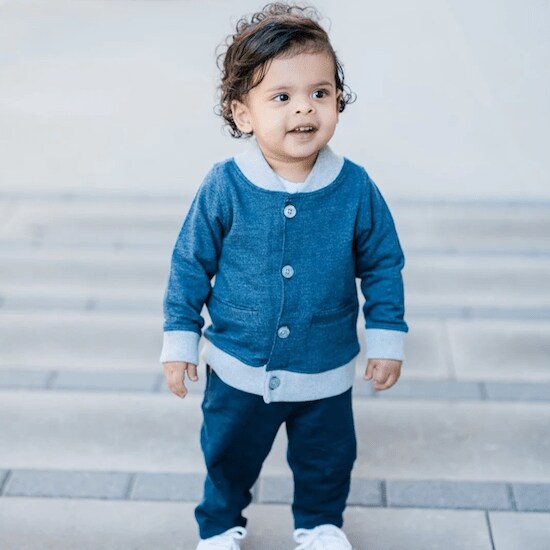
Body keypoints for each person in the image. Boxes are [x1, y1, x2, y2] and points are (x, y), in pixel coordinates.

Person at [161, 3, 407, 549]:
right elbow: (189, 264)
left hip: (325, 366)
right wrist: (180, 339)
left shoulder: (355, 188)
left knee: (327, 457)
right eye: (282, 97)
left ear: (338, 99)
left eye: (320, 93)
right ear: (242, 113)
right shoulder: (225, 185)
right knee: (227, 453)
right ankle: (221, 526)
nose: (304, 110)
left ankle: (320, 525)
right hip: (237, 365)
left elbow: (383, 263)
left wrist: (387, 338)